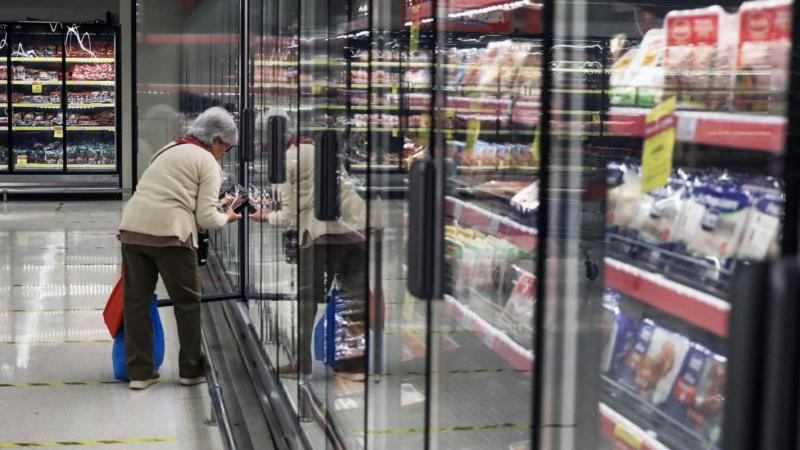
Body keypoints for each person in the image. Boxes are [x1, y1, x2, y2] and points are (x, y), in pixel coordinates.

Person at [250, 110, 382, 380]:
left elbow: (287, 215)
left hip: (322, 234)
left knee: (307, 301)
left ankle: (302, 363)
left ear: (267, 140)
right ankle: (354, 365)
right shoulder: (314, 146)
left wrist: (262, 215)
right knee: (352, 298)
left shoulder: (284, 160)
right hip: (359, 229)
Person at [118, 107, 242, 390]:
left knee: (137, 303)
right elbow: (206, 218)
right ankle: (190, 370)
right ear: (216, 139)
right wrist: (227, 215)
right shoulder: (208, 163)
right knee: (187, 303)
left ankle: (139, 373)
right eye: (227, 146)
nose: (225, 152)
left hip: (133, 229)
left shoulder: (167, 148)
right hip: (172, 235)